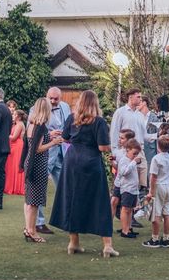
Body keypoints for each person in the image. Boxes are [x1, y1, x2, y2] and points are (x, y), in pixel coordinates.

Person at [50, 90, 118, 257]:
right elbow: (102, 148)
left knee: (72, 199)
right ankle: (107, 245)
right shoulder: (99, 122)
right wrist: (110, 147)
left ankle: (73, 243)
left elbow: (65, 139)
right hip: (91, 161)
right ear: (95, 103)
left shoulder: (71, 118)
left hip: (72, 161)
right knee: (100, 201)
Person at [21, 98, 64, 242]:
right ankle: (33, 231)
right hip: (37, 165)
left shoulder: (32, 125)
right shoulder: (41, 126)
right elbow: (38, 148)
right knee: (34, 202)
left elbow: (33, 142)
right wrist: (53, 142)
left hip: (30, 163)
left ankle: (28, 229)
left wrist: (49, 136)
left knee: (29, 200)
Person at [32, 87, 72, 235]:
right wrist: (50, 134)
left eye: (57, 99)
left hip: (62, 152)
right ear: (46, 96)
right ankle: (38, 223)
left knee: (65, 187)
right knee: (40, 188)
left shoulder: (66, 107)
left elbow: (69, 124)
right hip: (46, 152)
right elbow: (33, 130)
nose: (54, 101)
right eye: (51, 98)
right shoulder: (36, 108)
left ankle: (65, 219)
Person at [110, 88, 148, 190]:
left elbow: (145, 135)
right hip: (124, 151)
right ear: (130, 97)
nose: (140, 99)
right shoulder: (120, 112)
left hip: (139, 151)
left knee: (141, 182)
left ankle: (137, 203)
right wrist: (114, 153)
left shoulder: (140, 115)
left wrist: (159, 135)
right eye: (138, 97)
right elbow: (114, 133)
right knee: (122, 181)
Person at [143, 134, 169, 248]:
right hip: (168, 186)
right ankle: (166, 238)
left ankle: (155, 239)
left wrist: (151, 191)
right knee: (167, 214)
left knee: (155, 214)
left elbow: (153, 176)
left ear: (158, 146)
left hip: (159, 186)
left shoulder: (156, 159)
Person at [118, 139, 143, 238]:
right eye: (134, 153)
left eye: (137, 154)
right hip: (127, 189)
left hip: (133, 189)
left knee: (130, 210)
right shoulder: (124, 160)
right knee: (125, 209)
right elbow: (124, 172)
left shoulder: (131, 160)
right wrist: (133, 162)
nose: (136, 156)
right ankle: (124, 231)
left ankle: (128, 228)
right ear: (127, 150)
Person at [110, 128, 136, 221]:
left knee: (127, 207)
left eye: (122, 138)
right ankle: (109, 225)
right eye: (119, 137)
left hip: (128, 184)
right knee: (113, 201)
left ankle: (127, 228)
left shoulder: (134, 153)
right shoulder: (117, 152)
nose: (119, 140)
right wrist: (112, 162)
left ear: (129, 140)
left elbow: (129, 170)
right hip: (118, 181)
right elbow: (117, 168)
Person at [5, 109, 27, 195]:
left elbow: (14, 137)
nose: (13, 116)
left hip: (17, 146)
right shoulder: (16, 124)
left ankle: (16, 187)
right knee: (11, 166)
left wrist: (4, 134)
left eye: (14, 115)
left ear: (18, 117)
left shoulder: (20, 125)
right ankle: (11, 186)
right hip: (13, 146)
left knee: (16, 166)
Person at [139, 95, 160, 167]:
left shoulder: (155, 118)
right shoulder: (137, 117)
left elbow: (158, 136)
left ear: (144, 103)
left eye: (139, 102)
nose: (137, 104)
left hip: (151, 152)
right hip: (138, 152)